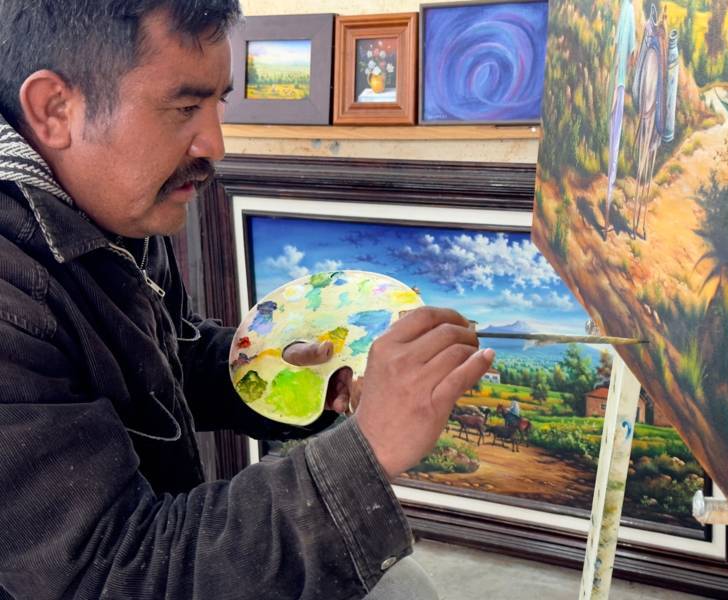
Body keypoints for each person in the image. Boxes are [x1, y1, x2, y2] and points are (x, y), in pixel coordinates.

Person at [0, 2, 494, 599]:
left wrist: (300, 371)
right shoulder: (13, 292)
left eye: (219, 103)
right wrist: (367, 451)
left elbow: (170, 358)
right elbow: (115, 574)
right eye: (185, 108)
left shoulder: (107, 203)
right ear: (55, 109)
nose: (215, 144)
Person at [603, 0, 637, 234]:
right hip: (619, 83)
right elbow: (630, 55)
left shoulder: (625, 10)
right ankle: (607, 205)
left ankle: (607, 206)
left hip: (614, 82)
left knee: (612, 143)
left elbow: (618, 49)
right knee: (614, 145)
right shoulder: (629, 11)